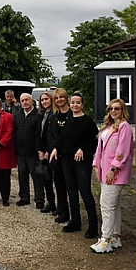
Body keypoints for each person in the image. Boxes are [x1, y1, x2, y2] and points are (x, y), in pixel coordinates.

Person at [50, 91, 98, 239]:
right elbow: (62, 139)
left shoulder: (88, 122)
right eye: (73, 103)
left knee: (85, 192)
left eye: (78, 102)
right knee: (71, 191)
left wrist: (83, 148)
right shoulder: (68, 120)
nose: (75, 105)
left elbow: (94, 141)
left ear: (82, 105)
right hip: (67, 160)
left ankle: (93, 225)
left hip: (81, 162)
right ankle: (75, 220)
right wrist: (55, 149)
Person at [90, 99, 133, 253]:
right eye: (111, 108)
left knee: (106, 205)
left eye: (117, 108)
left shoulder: (124, 127)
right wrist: (96, 163)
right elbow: (100, 148)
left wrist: (114, 169)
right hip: (104, 170)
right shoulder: (108, 127)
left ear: (123, 110)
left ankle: (105, 239)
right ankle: (115, 236)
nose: (114, 111)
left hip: (114, 173)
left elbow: (123, 150)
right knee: (114, 205)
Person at [12, 93, 41, 207]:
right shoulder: (18, 115)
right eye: (22, 100)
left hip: (33, 152)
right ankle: (24, 197)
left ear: (32, 101)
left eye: (26, 100)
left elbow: (39, 134)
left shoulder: (38, 115)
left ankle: (39, 199)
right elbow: (14, 131)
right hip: (20, 152)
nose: (24, 102)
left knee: (37, 176)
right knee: (22, 175)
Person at [47, 88, 71, 224]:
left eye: (61, 97)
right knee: (59, 185)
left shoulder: (73, 115)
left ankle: (75, 214)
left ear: (66, 98)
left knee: (71, 187)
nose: (59, 100)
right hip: (57, 156)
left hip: (70, 156)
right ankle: (63, 211)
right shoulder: (53, 117)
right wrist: (54, 147)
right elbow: (50, 135)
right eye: (56, 98)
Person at [35, 91, 56, 213]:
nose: (44, 102)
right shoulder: (42, 115)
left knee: (55, 180)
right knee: (46, 179)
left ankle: (60, 205)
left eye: (46, 99)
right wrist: (40, 151)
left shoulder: (54, 114)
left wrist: (49, 150)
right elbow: (38, 134)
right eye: (42, 100)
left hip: (52, 152)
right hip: (43, 152)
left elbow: (53, 135)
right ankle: (51, 202)